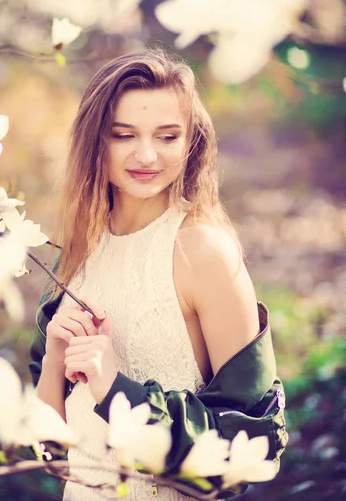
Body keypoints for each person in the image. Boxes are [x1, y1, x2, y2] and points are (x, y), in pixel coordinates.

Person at [29, 48, 287, 500]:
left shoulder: (203, 250)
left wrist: (115, 390)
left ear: (191, 142)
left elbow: (252, 443)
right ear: (96, 141)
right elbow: (53, 454)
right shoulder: (76, 251)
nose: (146, 155)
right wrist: (54, 360)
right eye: (124, 135)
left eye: (167, 137)